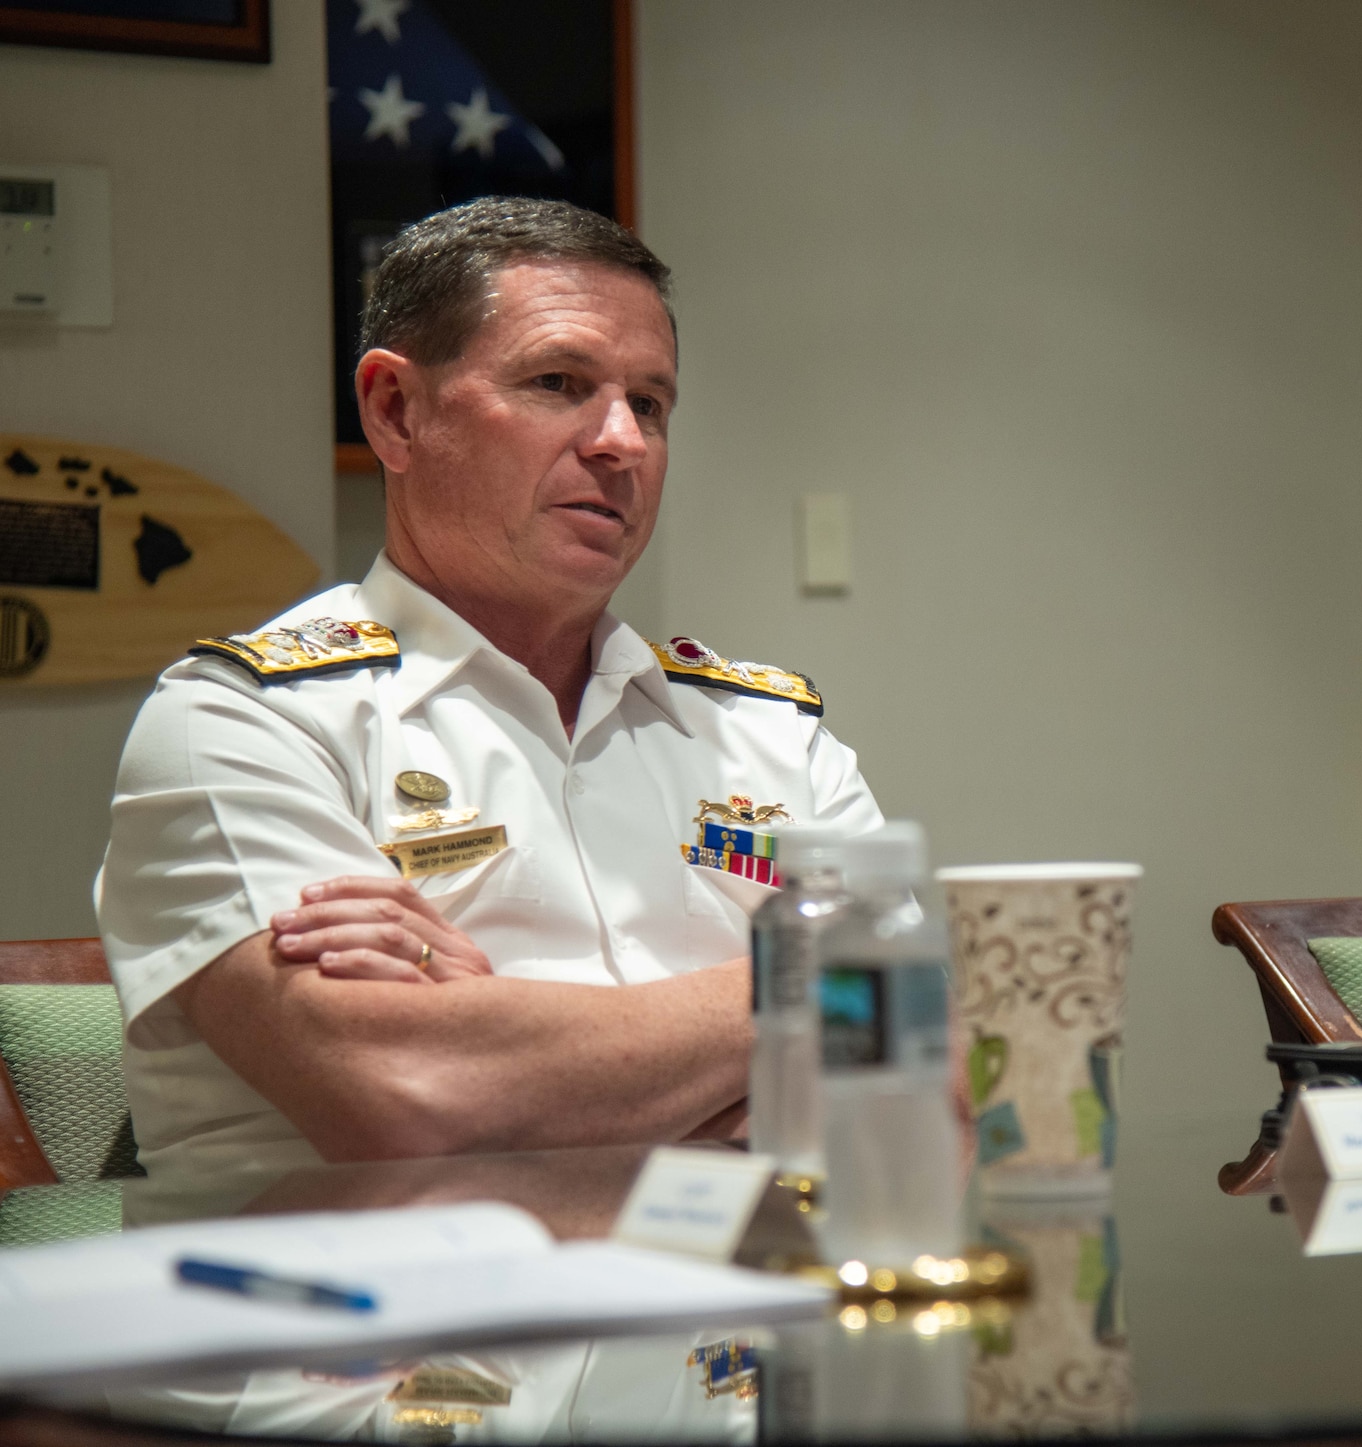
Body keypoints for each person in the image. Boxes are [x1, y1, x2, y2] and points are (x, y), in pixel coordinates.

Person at [96, 197, 882, 1178]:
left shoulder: (768, 732)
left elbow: (920, 1084)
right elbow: (409, 1095)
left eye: (650, 403)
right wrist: (811, 986)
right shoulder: (242, 721)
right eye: (559, 383)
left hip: (736, 1274)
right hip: (370, 1278)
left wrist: (497, 1030)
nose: (624, 442)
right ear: (395, 411)